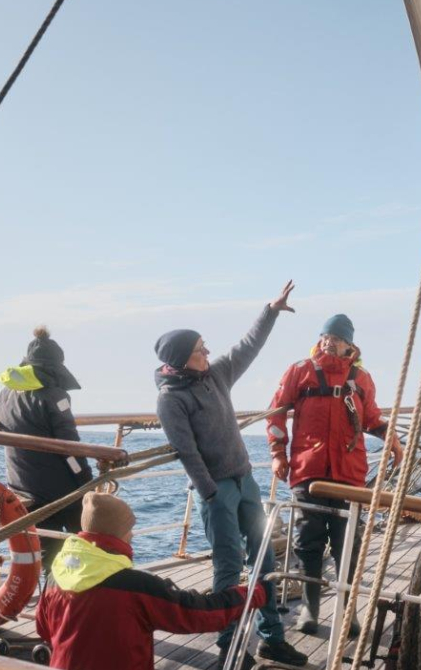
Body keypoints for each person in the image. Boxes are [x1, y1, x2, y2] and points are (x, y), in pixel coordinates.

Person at [154, 281, 308, 670]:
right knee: (228, 565)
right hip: (216, 491)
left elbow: (247, 346)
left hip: (245, 481)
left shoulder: (217, 374)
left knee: (265, 562)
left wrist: (270, 310)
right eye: (199, 349)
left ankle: (271, 638)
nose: (208, 351)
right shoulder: (171, 399)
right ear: (181, 359)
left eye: (205, 346)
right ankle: (228, 645)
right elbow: (186, 451)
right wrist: (209, 494)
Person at [266, 314, 402, 636]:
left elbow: (371, 418)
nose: (329, 341)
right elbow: (275, 414)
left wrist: (395, 441)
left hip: (349, 478)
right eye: (325, 336)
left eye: (336, 338)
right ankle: (310, 611)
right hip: (307, 473)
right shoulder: (299, 371)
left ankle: (348, 612)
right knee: (307, 544)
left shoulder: (361, 378)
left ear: (349, 344)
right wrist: (276, 455)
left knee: (348, 547)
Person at [36, 492, 266, 670]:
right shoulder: (136, 587)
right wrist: (248, 594)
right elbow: (195, 614)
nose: (133, 535)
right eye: (129, 530)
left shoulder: (55, 577)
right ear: (114, 535)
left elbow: (43, 629)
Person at [0, 326, 89, 569]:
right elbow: (70, 448)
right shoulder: (55, 396)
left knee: (48, 553)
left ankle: (51, 599)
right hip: (59, 491)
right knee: (86, 542)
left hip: (22, 486)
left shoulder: (6, 392)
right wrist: (86, 481)